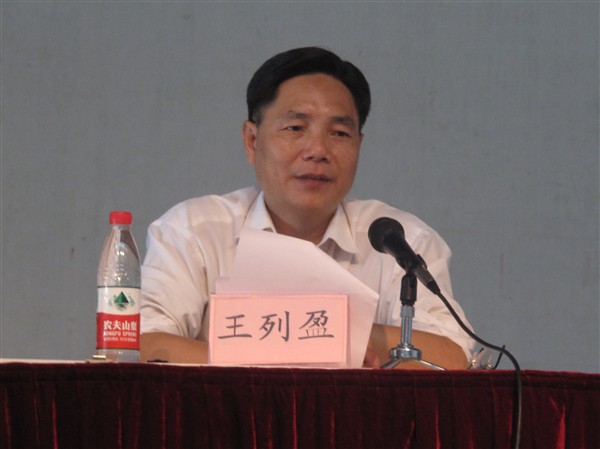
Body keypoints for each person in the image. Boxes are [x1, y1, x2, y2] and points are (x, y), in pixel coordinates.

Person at [140, 47, 474, 369]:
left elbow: (452, 356)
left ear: (359, 145)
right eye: (296, 128)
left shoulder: (400, 241)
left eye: (339, 133)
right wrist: (312, 346)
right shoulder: (193, 232)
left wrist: (334, 333)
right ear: (252, 141)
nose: (317, 150)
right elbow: (143, 346)